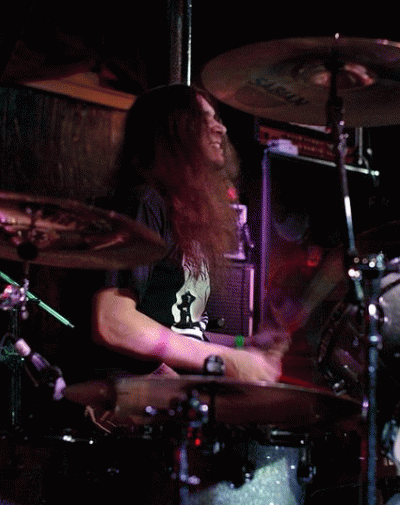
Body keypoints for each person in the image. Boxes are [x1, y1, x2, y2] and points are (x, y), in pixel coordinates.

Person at [91, 83, 289, 382]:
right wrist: (226, 361)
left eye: (216, 118)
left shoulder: (186, 216)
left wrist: (243, 345)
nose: (220, 128)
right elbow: (112, 321)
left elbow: (182, 331)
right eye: (203, 119)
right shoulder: (145, 202)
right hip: (135, 394)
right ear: (171, 132)